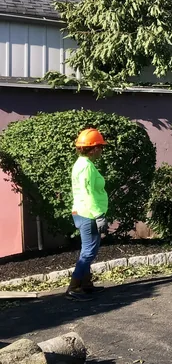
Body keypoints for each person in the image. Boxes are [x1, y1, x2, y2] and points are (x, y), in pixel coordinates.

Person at [67, 128, 109, 301]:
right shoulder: (86, 167)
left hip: (83, 211)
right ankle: (73, 288)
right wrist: (99, 215)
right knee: (89, 251)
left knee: (89, 249)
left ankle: (86, 285)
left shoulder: (82, 164)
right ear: (93, 148)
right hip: (88, 213)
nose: (101, 150)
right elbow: (88, 194)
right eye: (100, 147)